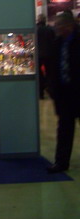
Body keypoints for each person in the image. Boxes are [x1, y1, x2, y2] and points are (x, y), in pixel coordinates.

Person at [46, 12, 80, 173]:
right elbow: (53, 67)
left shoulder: (77, 41)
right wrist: (52, 87)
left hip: (78, 90)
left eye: (59, 25)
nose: (56, 28)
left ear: (69, 26)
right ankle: (61, 162)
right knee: (64, 128)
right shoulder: (57, 43)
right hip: (63, 93)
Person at [36, 14, 55, 99]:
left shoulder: (36, 30)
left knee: (39, 74)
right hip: (49, 54)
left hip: (38, 55)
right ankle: (50, 91)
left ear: (38, 20)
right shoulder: (50, 29)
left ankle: (41, 93)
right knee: (49, 73)